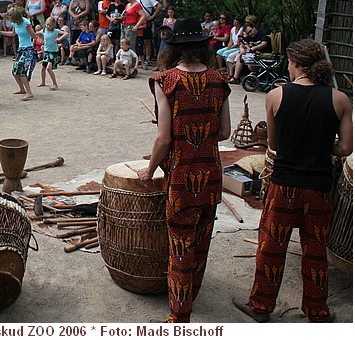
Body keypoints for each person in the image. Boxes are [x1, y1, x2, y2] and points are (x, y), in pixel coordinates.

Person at [232, 38, 352, 324]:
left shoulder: (276, 96)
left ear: (296, 64)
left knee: (271, 247)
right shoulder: (340, 99)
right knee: (314, 251)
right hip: (319, 189)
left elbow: (273, 145)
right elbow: (346, 148)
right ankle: (317, 311)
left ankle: (261, 306)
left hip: (284, 186)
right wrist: (324, 147)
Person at [137, 16, 231, 323]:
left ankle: (179, 316)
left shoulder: (166, 81)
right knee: (201, 243)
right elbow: (225, 132)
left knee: (180, 247)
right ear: (203, 46)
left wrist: (150, 169)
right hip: (211, 175)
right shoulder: (220, 82)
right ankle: (190, 294)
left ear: (174, 47)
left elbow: (164, 138)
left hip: (180, 178)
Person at [0, 7, 37, 101]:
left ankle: (29, 92)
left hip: (28, 49)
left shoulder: (26, 23)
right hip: (21, 49)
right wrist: (1, 32)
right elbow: (12, 34)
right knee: (15, 71)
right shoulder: (15, 23)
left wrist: (29, 29)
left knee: (21, 70)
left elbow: (34, 36)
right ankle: (22, 89)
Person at [38, 16, 62, 90]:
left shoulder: (55, 31)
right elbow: (38, 33)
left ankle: (55, 84)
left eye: (50, 25)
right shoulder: (44, 30)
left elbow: (66, 33)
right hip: (47, 52)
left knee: (49, 68)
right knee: (43, 68)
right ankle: (43, 82)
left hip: (53, 52)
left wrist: (59, 38)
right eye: (47, 25)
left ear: (53, 25)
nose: (48, 26)